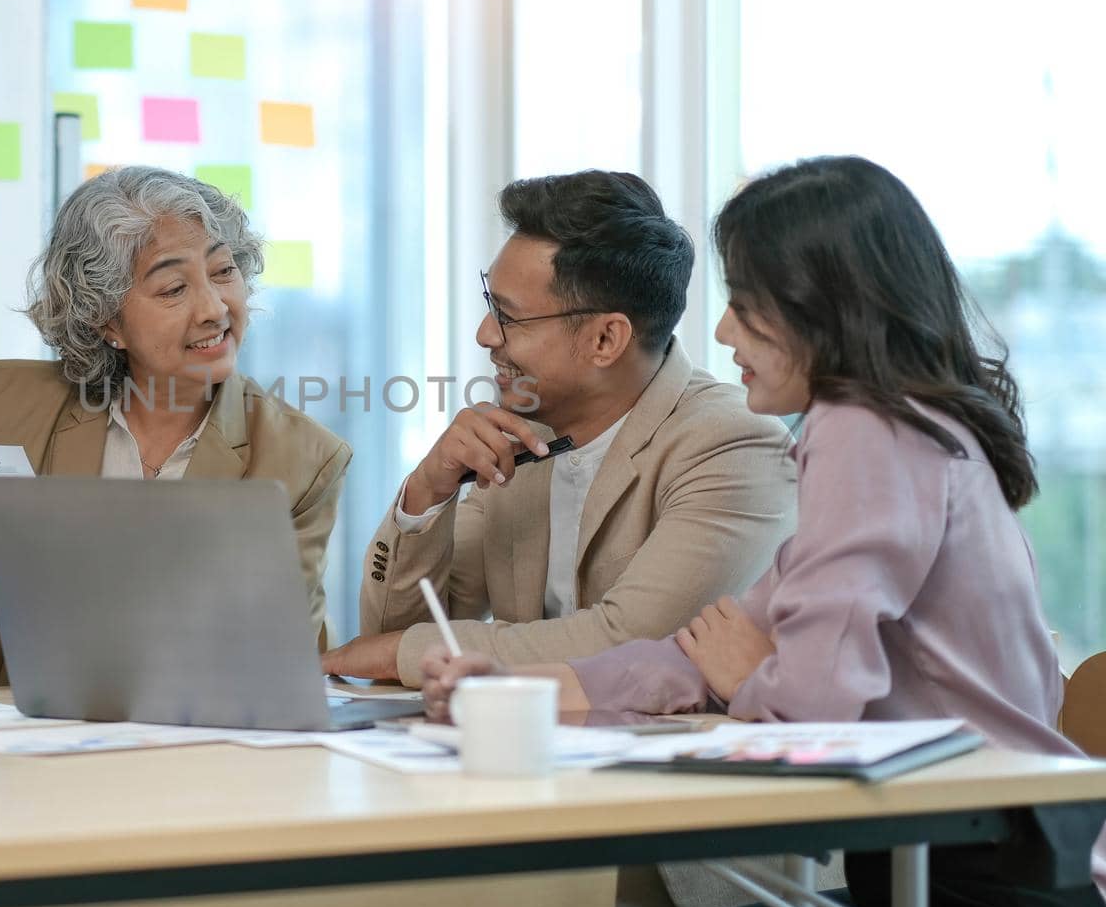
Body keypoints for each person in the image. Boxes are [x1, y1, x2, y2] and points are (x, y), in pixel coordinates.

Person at [421, 156, 1106, 907]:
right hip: (975, 858)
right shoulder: (901, 425)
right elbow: (705, 648)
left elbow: (806, 708)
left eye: (745, 306)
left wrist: (753, 674)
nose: (721, 330)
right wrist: (512, 690)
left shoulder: (869, 431)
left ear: (822, 312)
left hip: (993, 883)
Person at [0, 166, 352, 687]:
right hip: (15, 770)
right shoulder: (1, 408)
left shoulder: (300, 458)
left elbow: (278, 667)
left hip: (194, 765)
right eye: (174, 288)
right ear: (107, 322)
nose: (215, 308)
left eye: (225, 272)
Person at [321, 170, 797, 687]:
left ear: (605, 340)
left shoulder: (734, 444)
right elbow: (393, 637)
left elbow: (629, 643)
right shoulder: (523, 433)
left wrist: (404, 654)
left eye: (508, 317)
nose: (485, 335)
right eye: (489, 305)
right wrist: (427, 495)